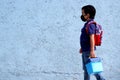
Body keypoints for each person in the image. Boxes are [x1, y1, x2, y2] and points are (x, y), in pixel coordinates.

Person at [79, 5, 105, 80]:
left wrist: (92, 51)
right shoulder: (87, 24)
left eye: (83, 13)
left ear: (88, 15)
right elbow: (86, 38)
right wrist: (82, 47)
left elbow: (91, 37)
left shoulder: (91, 24)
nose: (82, 15)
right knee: (87, 69)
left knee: (94, 69)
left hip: (88, 51)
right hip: (85, 50)